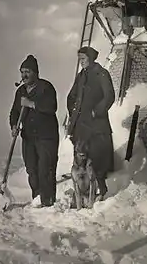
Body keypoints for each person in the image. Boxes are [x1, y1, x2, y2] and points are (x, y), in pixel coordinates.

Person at [9, 55, 59, 208]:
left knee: (46, 170)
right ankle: (37, 200)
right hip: (29, 138)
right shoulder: (20, 91)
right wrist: (13, 126)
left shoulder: (46, 88)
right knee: (32, 170)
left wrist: (31, 104)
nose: (24, 75)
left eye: (27, 72)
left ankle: (48, 202)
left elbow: (51, 107)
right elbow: (14, 112)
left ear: (36, 73)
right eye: (22, 72)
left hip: (46, 137)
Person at [67, 46, 115, 201]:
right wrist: (73, 113)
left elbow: (109, 96)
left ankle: (102, 192)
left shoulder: (101, 73)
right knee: (82, 159)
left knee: (97, 159)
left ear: (91, 58)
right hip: (81, 126)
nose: (80, 62)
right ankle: (84, 193)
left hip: (96, 126)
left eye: (83, 59)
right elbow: (71, 96)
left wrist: (96, 111)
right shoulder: (81, 76)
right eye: (79, 59)